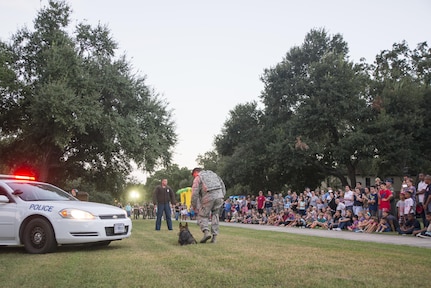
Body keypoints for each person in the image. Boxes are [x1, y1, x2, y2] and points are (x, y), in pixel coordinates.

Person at [191, 167, 226, 243]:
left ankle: (206, 232)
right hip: (219, 196)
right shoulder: (213, 174)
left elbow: (194, 193)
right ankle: (214, 237)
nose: (194, 177)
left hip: (208, 197)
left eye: (193, 175)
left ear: (195, 172)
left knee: (202, 215)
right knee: (215, 215)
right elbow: (223, 186)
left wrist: (194, 205)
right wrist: (222, 196)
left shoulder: (198, 177)